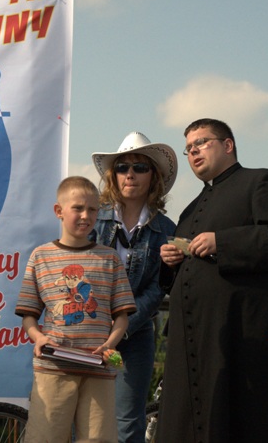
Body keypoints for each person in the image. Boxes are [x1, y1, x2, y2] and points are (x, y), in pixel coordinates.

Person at [157, 118, 268, 443]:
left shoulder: (261, 181)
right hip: (202, 341)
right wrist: (171, 262)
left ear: (228, 145)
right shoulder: (189, 211)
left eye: (201, 143)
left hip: (249, 338)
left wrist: (222, 242)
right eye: (188, 148)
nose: (193, 152)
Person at [16, 176, 137, 443]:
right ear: (59, 211)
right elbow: (28, 315)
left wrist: (110, 344)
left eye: (92, 209)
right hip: (53, 367)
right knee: (45, 437)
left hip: (99, 369)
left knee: (99, 439)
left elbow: (122, 316)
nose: (86, 216)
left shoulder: (110, 258)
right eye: (78, 208)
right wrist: (38, 337)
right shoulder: (40, 256)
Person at [90, 132, 178, 443]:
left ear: (154, 176)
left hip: (134, 337)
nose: (130, 174)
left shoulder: (167, 230)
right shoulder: (92, 218)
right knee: (85, 418)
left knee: (127, 423)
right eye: (122, 167)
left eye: (140, 167)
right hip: (87, 332)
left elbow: (159, 288)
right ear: (113, 175)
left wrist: (122, 327)